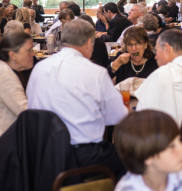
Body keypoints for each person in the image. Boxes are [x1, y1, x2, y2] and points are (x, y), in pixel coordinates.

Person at [27, 19, 128, 178]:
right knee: (133, 157)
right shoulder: (95, 72)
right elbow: (116, 116)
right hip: (82, 155)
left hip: (42, 153)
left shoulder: (39, 68)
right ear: (89, 42)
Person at [0, 32, 33, 136]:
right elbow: (25, 112)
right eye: (29, 50)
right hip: (6, 142)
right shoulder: (5, 75)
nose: (33, 54)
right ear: (13, 55)